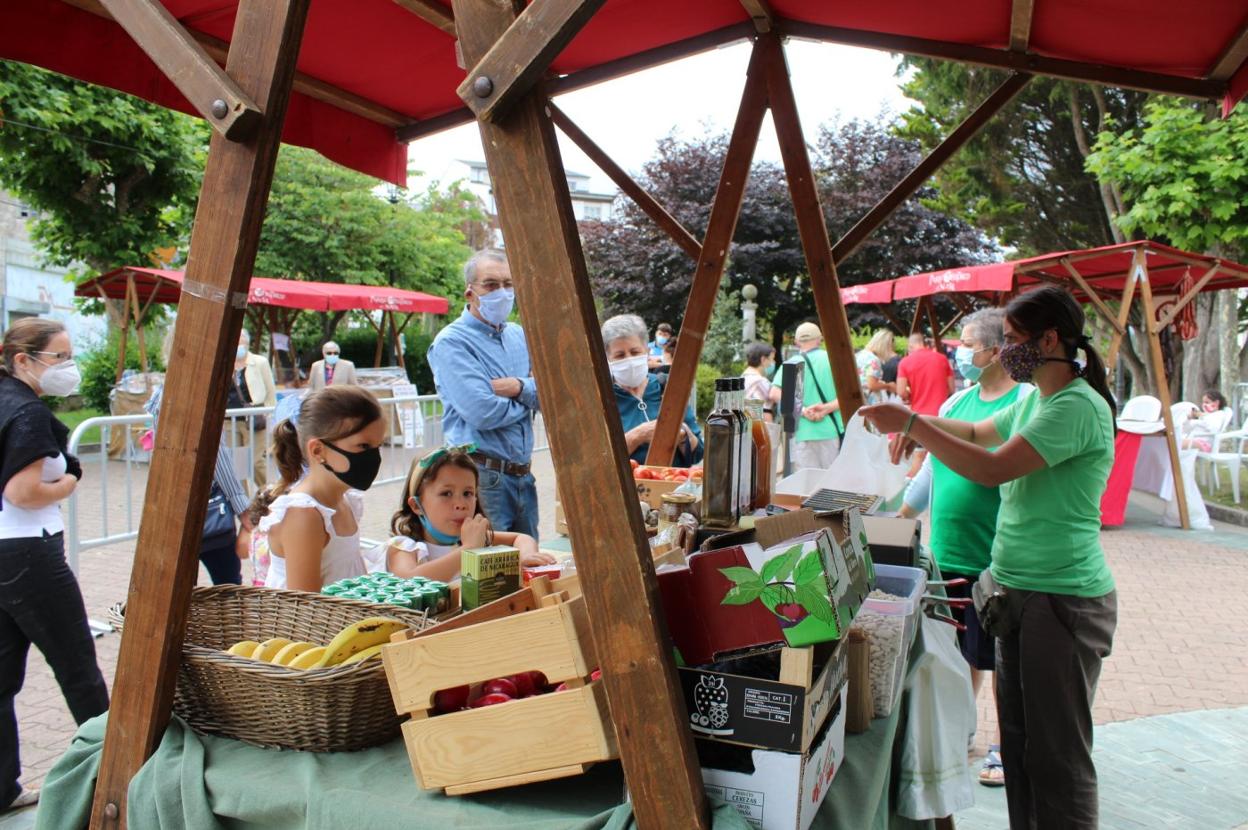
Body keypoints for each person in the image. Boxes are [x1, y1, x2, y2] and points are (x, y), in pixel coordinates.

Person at [862, 286, 1117, 830]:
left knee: (1059, 756)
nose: (1005, 353)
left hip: (1063, 598)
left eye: (1016, 341)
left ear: (1050, 340)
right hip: (1014, 589)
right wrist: (908, 415)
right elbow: (978, 431)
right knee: (1023, 747)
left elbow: (992, 466)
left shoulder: (1075, 406)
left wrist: (912, 426)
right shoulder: (1033, 399)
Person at [898, 308, 1034, 788]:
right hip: (947, 554)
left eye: (968, 343)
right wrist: (901, 514)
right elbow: (933, 467)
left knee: (999, 661)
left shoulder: (1026, 402)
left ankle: (1002, 747)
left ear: (998, 350)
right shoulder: (957, 404)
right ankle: (963, 731)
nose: (960, 351)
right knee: (959, 656)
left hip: (995, 562)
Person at [0, 318, 108, 813]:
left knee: (3, 679)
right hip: (29, 552)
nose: (69, 368)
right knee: (77, 667)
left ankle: (4, 788)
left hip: (8, 553)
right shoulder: (25, 412)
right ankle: (117, 772)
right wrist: (70, 482)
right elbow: (22, 492)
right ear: (24, 360)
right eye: (59, 357)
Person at [428, 249, 541, 536]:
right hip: (482, 477)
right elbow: (482, 411)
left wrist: (517, 387)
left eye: (508, 284)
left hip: (523, 475)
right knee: (490, 570)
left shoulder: (518, 336)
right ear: (470, 293)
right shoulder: (452, 343)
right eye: (491, 285)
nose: (502, 292)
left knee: (528, 562)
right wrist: (528, 398)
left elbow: (549, 396)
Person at [250, 386, 386, 592]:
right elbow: (307, 609)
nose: (374, 457)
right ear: (318, 450)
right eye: (363, 446)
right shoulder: (304, 515)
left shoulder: (344, 500)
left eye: (379, 445)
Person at [146, 327, 252, 585]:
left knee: (182, 587)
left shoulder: (166, 390)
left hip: (176, 506)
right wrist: (242, 508)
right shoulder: (193, 393)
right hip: (205, 507)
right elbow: (216, 457)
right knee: (227, 584)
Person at [383, 445, 554, 582]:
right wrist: (469, 549)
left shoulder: (472, 538)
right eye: (446, 494)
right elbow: (409, 581)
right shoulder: (403, 547)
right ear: (416, 506)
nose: (460, 505)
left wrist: (526, 555)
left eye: (468, 493)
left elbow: (521, 538)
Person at [602, 315, 703, 466]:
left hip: (671, 485)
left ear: (647, 352)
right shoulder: (602, 399)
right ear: (607, 358)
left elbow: (698, 453)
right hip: (626, 488)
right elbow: (598, 462)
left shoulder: (668, 387)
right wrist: (638, 436)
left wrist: (682, 435)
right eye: (620, 355)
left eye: (635, 352)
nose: (629, 360)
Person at [774, 322, 842, 470]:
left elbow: (774, 393)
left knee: (806, 484)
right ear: (820, 339)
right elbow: (848, 396)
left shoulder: (791, 363)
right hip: (831, 429)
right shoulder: (834, 360)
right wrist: (825, 409)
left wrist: (803, 410)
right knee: (831, 483)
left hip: (802, 432)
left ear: (797, 342)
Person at [233, 329, 278, 487]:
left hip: (256, 418)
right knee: (238, 466)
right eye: (235, 341)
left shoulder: (259, 362)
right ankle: (242, 503)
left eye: (241, 341)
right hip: (231, 420)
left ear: (247, 342)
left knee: (254, 460)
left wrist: (270, 413)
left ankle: (272, 493)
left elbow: (270, 391)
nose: (238, 344)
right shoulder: (224, 362)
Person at [897, 332, 954, 415]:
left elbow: (901, 392)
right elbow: (951, 389)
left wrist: (909, 396)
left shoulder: (904, 362)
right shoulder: (942, 359)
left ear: (910, 346)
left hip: (919, 415)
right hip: (943, 413)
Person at [742, 341, 781, 422]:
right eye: (771, 359)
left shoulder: (743, 378)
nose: (773, 363)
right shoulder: (760, 382)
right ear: (763, 359)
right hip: (758, 429)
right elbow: (766, 412)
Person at [857, 330, 897, 405]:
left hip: (859, 400)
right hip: (868, 403)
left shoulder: (860, 355)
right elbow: (871, 384)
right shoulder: (874, 360)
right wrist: (888, 386)